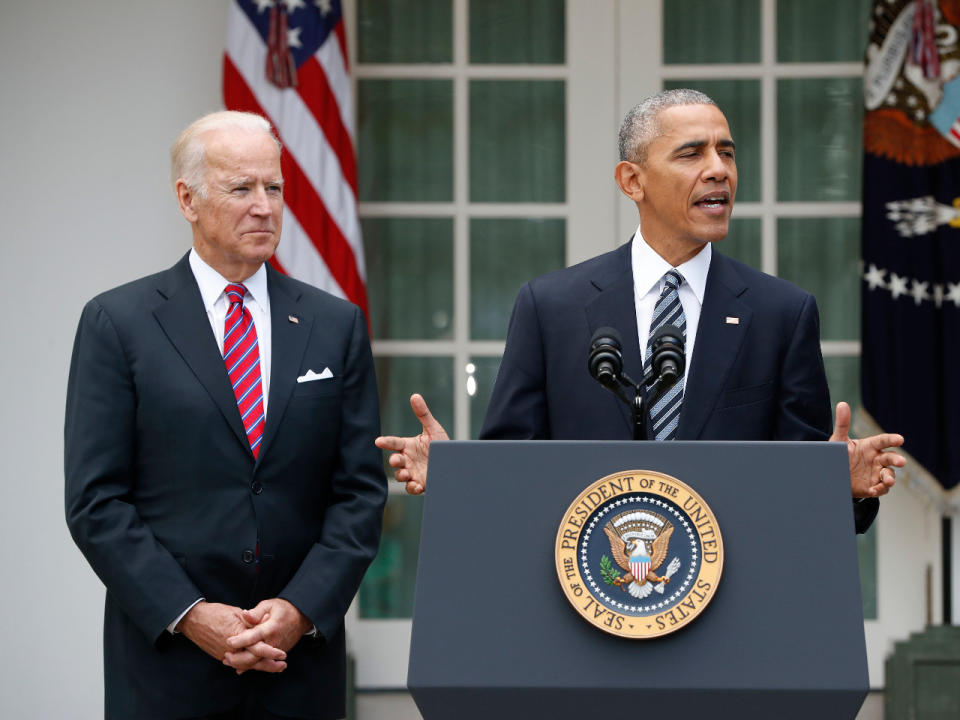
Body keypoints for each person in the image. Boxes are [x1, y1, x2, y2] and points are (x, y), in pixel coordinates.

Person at [376, 89, 903, 533]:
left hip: (731, 621)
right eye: (692, 154)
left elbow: (804, 495)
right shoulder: (552, 307)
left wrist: (844, 489)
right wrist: (459, 475)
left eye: (727, 152)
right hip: (585, 609)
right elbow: (515, 472)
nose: (719, 170)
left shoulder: (781, 313)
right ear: (632, 181)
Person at [64, 111, 386, 719]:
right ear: (188, 199)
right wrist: (190, 615)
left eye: (274, 188)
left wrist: (298, 610)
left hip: (297, 668)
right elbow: (96, 501)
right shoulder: (118, 323)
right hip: (167, 672)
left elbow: (359, 493)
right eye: (241, 188)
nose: (264, 206)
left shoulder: (334, 324)